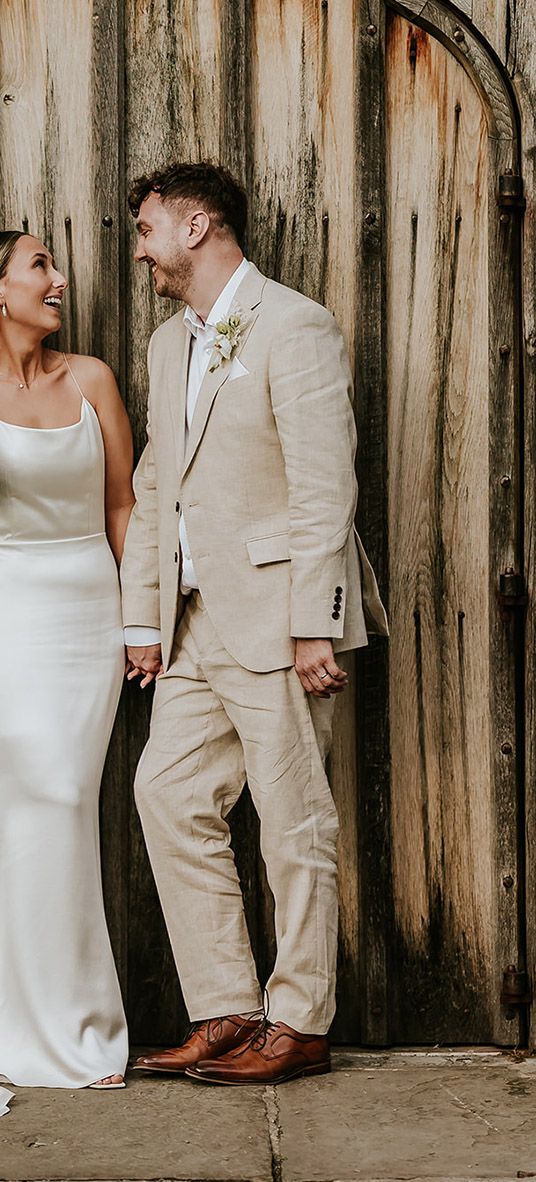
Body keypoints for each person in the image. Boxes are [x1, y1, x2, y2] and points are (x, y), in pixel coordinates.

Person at [122, 162, 388, 1085]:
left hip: (277, 618)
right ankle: (229, 1009)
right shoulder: (168, 345)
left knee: (292, 819)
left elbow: (325, 485)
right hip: (194, 623)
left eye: (150, 228)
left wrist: (314, 620)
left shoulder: (294, 324)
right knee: (168, 794)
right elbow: (159, 483)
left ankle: (301, 1021)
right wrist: (141, 621)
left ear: (197, 227)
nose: (144, 247)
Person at [0, 231, 133, 1089]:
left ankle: (82, 1024)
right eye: (39, 264)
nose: (60, 279)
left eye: (55, 265)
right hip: (9, 609)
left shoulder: (91, 380)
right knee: (25, 798)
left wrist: (143, 622)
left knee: (65, 795)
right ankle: (23, 1025)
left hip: (88, 611)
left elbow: (124, 503)